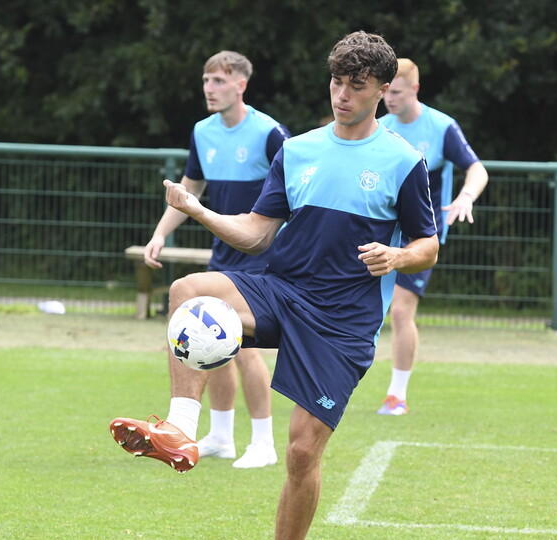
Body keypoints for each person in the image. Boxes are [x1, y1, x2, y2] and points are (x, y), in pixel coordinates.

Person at [110, 31, 438, 538]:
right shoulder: (299, 150)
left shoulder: (402, 161)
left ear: (382, 90)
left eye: (356, 85)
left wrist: (398, 255)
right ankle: (179, 430)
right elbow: (258, 235)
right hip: (283, 290)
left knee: (302, 452)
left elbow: (428, 246)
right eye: (336, 81)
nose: (341, 94)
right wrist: (199, 210)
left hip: (343, 321)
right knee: (187, 292)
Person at [142, 51, 289, 469]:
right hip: (224, 256)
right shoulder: (202, 132)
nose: (210, 88)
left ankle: (263, 442)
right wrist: (159, 233)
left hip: (264, 257)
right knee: (211, 342)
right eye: (207, 80)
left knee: (242, 349)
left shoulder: (270, 133)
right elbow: (190, 190)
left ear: (242, 84)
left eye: (220, 81)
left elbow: (297, 192)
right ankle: (221, 436)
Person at [375, 58, 489, 416]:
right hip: (380, 231)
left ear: (414, 90)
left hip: (422, 236)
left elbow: (476, 169)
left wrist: (465, 197)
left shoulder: (442, 127)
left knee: (401, 310)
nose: (389, 99)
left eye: (396, 92)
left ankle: (397, 395)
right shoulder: (379, 127)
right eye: (386, 92)